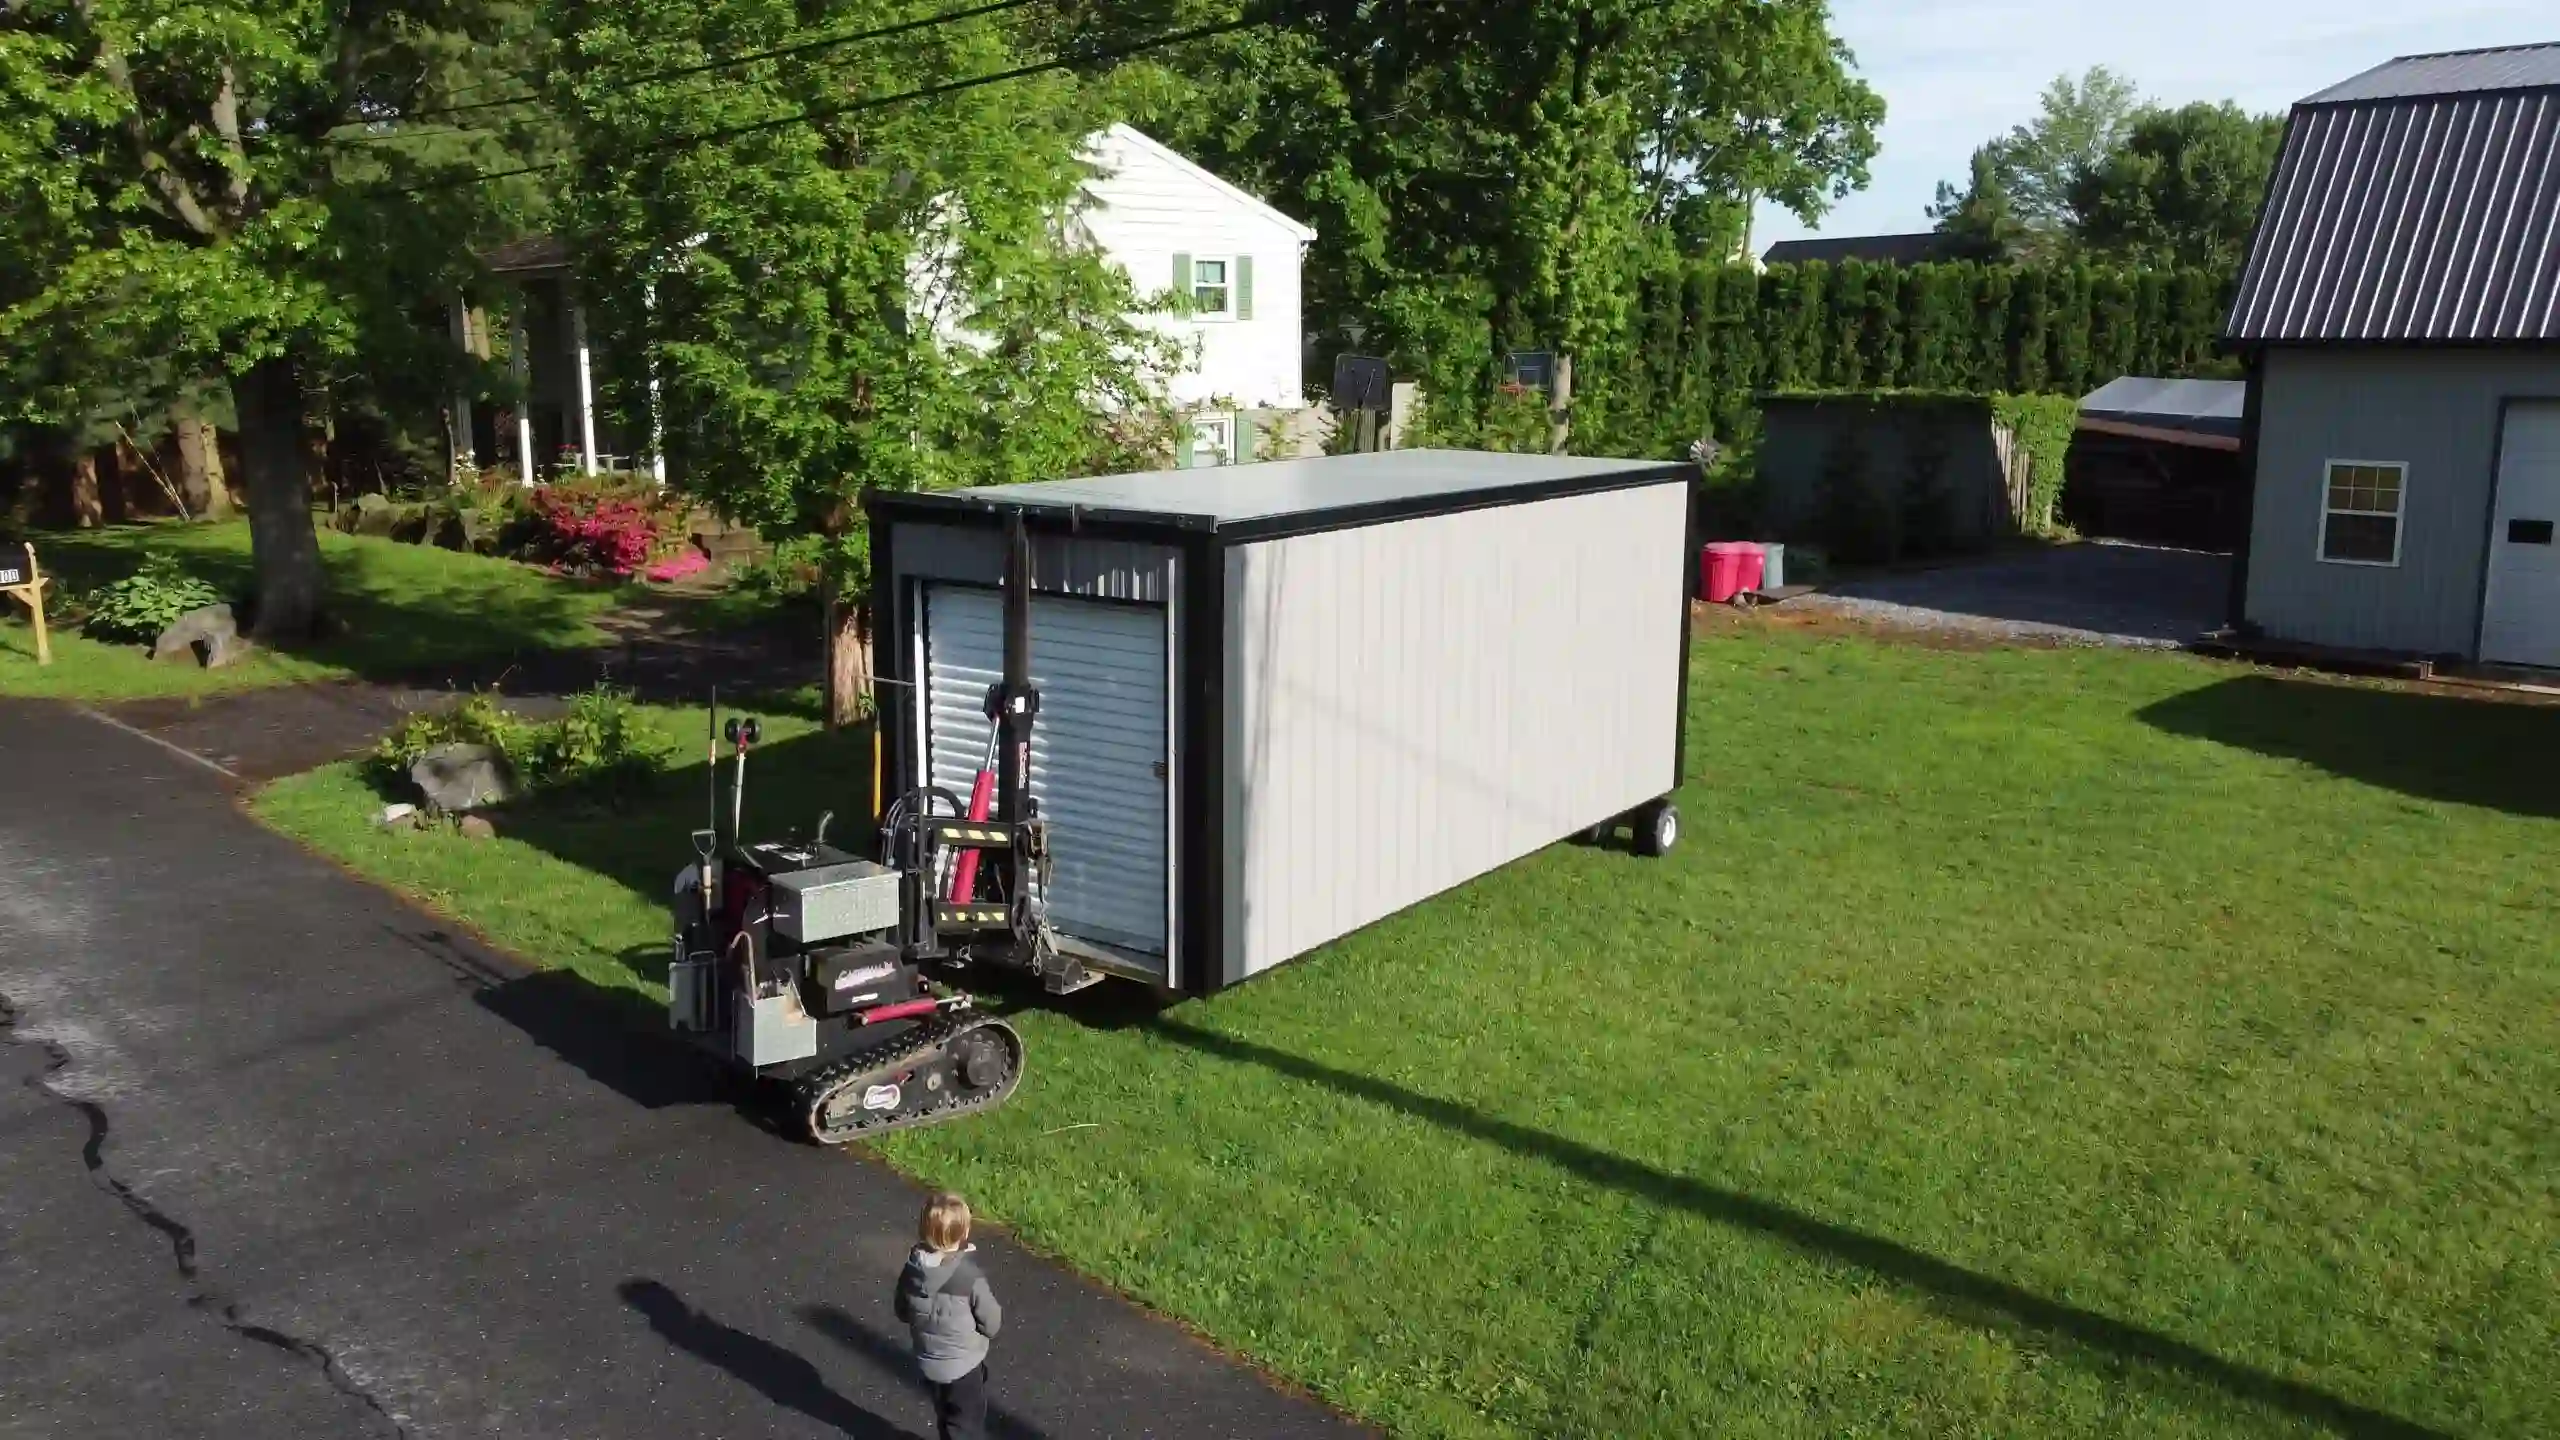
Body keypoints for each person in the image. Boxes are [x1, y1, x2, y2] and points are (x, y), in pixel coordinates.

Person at [894, 1191, 1002, 1440]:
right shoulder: (968, 1277)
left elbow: (901, 1310)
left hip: (930, 1361)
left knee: (945, 1413)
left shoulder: (913, 1270)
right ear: (965, 1233)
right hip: (964, 1366)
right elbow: (991, 1321)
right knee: (967, 1421)